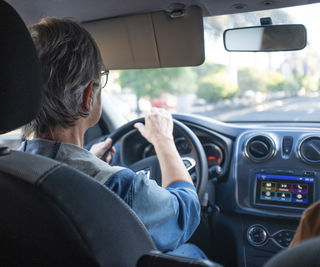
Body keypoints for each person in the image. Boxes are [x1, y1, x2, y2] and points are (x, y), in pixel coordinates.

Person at [19, 17, 206, 259]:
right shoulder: (118, 187)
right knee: (192, 253)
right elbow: (185, 214)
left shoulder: (2, 169)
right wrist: (163, 140)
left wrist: (87, 163)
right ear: (88, 96)